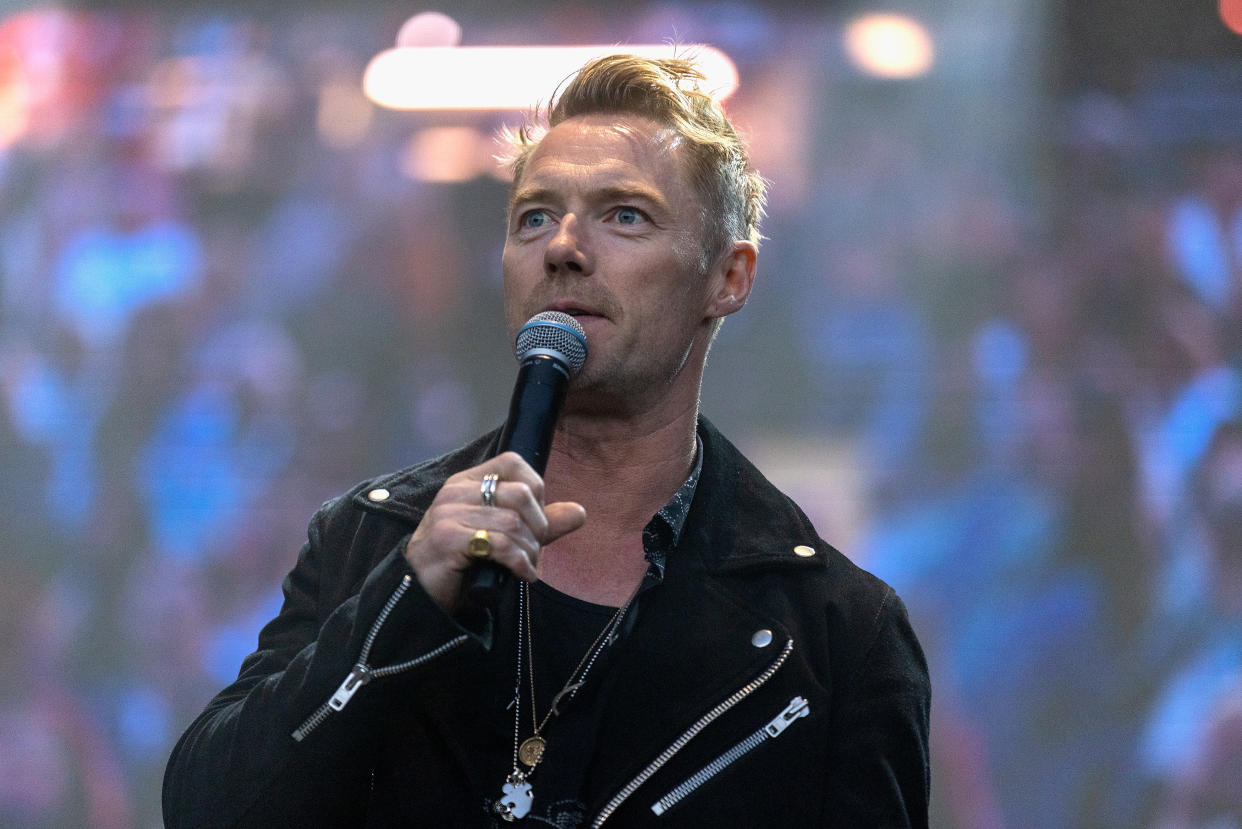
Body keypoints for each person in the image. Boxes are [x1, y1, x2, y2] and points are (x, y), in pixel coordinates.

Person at [163, 53, 930, 827]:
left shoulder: (833, 635)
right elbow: (207, 808)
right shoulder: (373, 539)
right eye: (534, 216)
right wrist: (408, 598)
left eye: (624, 214)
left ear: (728, 277)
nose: (562, 246)